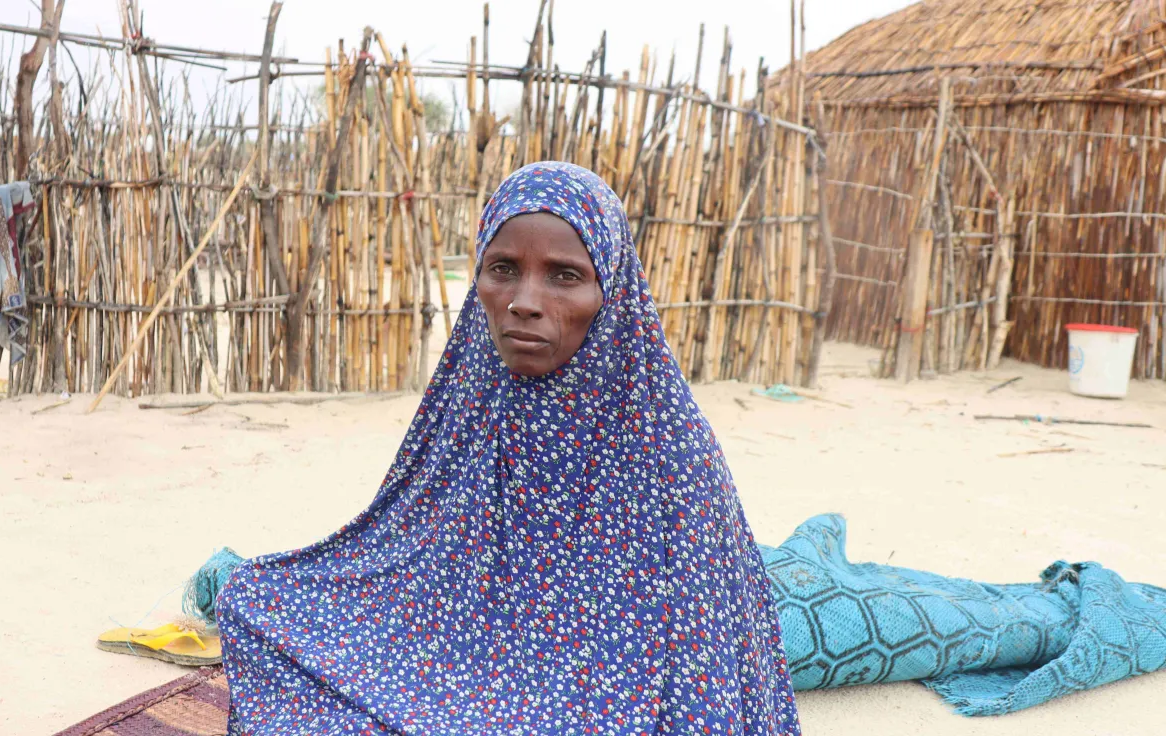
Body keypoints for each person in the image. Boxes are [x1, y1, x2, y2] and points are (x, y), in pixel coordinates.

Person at [217, 162, 801, 735]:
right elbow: (407, 545)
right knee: (251, 599)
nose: (524, 300)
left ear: (612, 292)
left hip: (595, 679)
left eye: (565, 276)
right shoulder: (473, 402)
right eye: (502, 269)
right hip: (463, 642)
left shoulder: (671, 454)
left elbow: (697, 667)